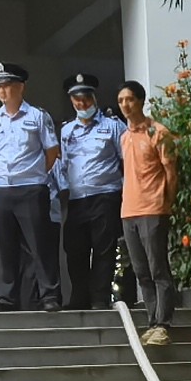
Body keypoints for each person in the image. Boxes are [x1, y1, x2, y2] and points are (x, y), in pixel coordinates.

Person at [0, 60, 59, 310]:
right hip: (2, 189)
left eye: (7, 85)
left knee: (39, 245)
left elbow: (52, 151)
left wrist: (35, 174)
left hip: (31, 188)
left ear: (21, 87)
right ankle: (6, 298)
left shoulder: (37, 116)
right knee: (5, 246)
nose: (2, 91)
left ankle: (49, 296)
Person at [55, 70, 126, 313]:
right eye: (77, 99)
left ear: (94, 98)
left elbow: (125, 161)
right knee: (75, 249)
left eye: (86, 98)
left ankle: (99, 298)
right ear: (71, 100)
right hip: (77, 198)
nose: (82, 103)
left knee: (103, 249)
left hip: (106, 195)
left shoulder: (113, 126)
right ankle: (79, 296)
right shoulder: (67, 131)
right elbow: (63, 164)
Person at [114, 77, 178, 344]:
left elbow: (171, 172)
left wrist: (166, 203)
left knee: (158, 268)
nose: (125, 105)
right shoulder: (124, 137)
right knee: (141, 271)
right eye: (121, 101)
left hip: (153, 208)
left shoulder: (158, 132)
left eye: (129, 99)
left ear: (140, 101)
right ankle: (152, 322)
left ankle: (163, 323)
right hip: (128, 210)